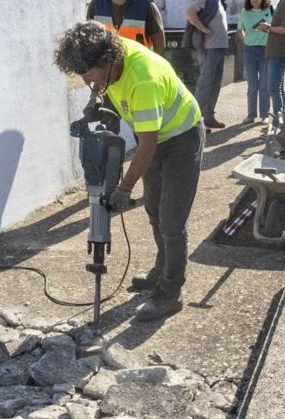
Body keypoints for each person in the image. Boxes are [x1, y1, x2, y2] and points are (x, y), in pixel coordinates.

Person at [54, 21, 204, 322]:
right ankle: (162, 270)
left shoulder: (143, 78)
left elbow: (146, 146)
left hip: (181, 138)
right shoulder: (112, 65)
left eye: (88, 72)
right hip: (154, 137)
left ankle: (171, 294)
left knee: (172, 220)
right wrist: (98, 102)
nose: (85, 78)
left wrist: (124, 188)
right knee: (153, 209)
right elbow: (111, 92)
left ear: (107, 61)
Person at [185, 0, 231, 130]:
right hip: (209, 48)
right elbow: (190, 12)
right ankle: (194, 122)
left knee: (215, 83)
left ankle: (209, 116)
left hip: (217, 48)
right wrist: (204, 29)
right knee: (205, 84)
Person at [236, 0, 272, 124]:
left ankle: (265, 115)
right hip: (250, 51)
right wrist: (246, 41)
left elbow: (275, 28)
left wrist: (268, 29)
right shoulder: (245, 12)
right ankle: (251, 115)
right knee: (252, 85)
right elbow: (239, 29)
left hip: (265, 50)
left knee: (264, 85)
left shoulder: (269, 10)